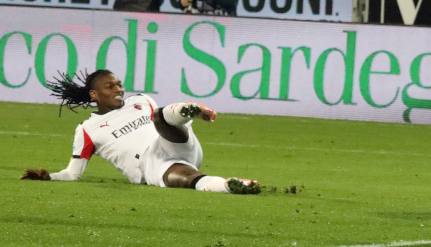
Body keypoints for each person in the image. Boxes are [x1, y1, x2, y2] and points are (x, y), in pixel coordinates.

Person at [20, 69, 259, 194]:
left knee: (159, 117)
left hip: (174, 140)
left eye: (119, 85)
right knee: (185, 179)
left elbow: (161, 125)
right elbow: (73, 174)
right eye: (110, 86)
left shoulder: (141, 101)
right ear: (94, 95)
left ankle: (187, 110)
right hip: (150, 164)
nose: (119, 89)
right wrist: (50, 177)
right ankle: (230, 186)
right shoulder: (87, 130)